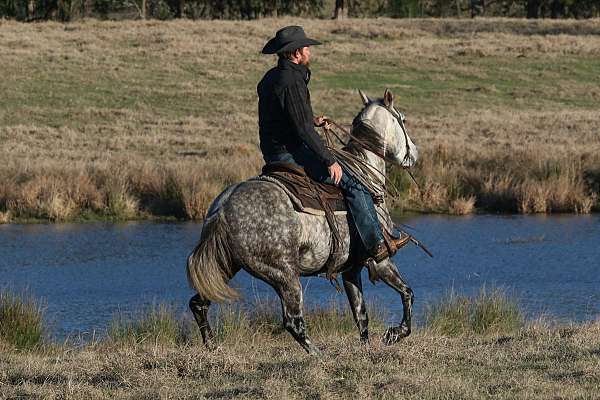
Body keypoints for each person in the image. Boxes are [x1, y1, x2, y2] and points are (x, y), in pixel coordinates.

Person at [257, 25, 398, 263]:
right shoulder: (292, 80)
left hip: (271, 151)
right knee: (355, 183)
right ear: (296, 53)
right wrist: (329, 160)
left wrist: (311, 119)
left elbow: (283, 115)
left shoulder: (271, 78)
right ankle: (376, 244)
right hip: (291, 152)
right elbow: (302, 130)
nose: (310, 52)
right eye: (306, 48)